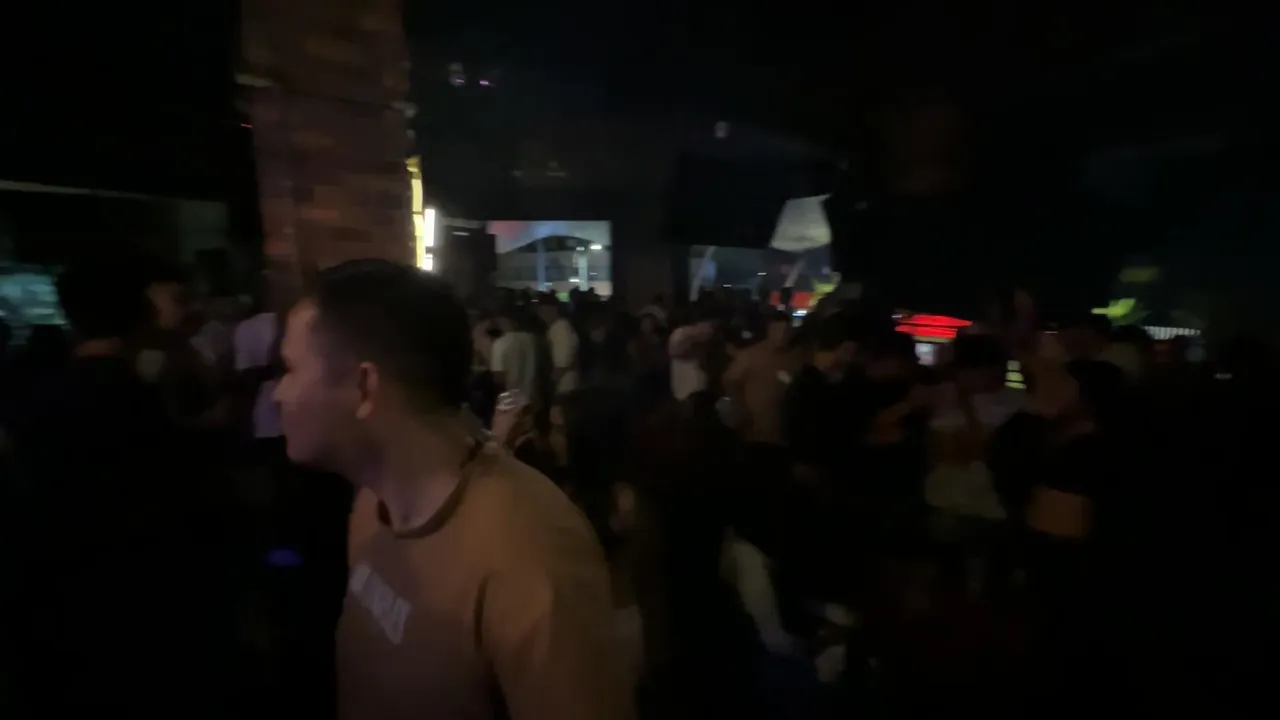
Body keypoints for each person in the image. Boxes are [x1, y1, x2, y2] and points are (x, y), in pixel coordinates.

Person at [274, 259, 631, 720]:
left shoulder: (529, 553)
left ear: (364, 387)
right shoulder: (372, 501)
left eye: (290, 369)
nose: (278, 393)